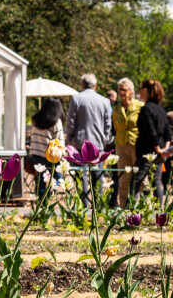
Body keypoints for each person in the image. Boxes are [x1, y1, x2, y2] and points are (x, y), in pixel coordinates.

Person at [65, 73, 113, 206]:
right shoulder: (104, 101)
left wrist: (69, 138)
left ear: (82, 84)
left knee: (81, 176)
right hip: (97, 143)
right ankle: (98, 205)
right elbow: (108, 124)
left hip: (80, 143)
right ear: (95, 85)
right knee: (98, 176)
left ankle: (84, 205)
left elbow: (71, 122)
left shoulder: (76, 99)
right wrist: (103, 140)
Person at [131, 79, 172, 203]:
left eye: (140, 89)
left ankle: (131, 212)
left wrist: (157, 148)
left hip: (147, 152)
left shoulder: (146, 109)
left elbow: (150, 131)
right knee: (157, 182)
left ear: (145, 90)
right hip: (160, 152)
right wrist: (165, 149)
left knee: (135, 183)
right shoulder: (161, 110)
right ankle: (159, 213)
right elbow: (167, 132)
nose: (138, 92)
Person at [112, 78, 142, 207]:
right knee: (123, 177)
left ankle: (138, 206)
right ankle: (124, 208)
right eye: (120, 90)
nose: (121, 93)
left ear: (131, 91)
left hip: (136, 143)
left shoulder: (140, 106)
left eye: (124, 90)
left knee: (138, 177)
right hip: (121, 145)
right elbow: (115, 127)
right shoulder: (116, 109)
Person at [28, 97, 64, 199]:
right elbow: (60, 140)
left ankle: (41, 203)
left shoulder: (35, 119)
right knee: (57, 178)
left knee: (39, 180)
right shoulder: (56, 121)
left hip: (35, 154)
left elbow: (31, 135)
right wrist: (63, 156)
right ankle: (48, 198)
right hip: (50, 155)